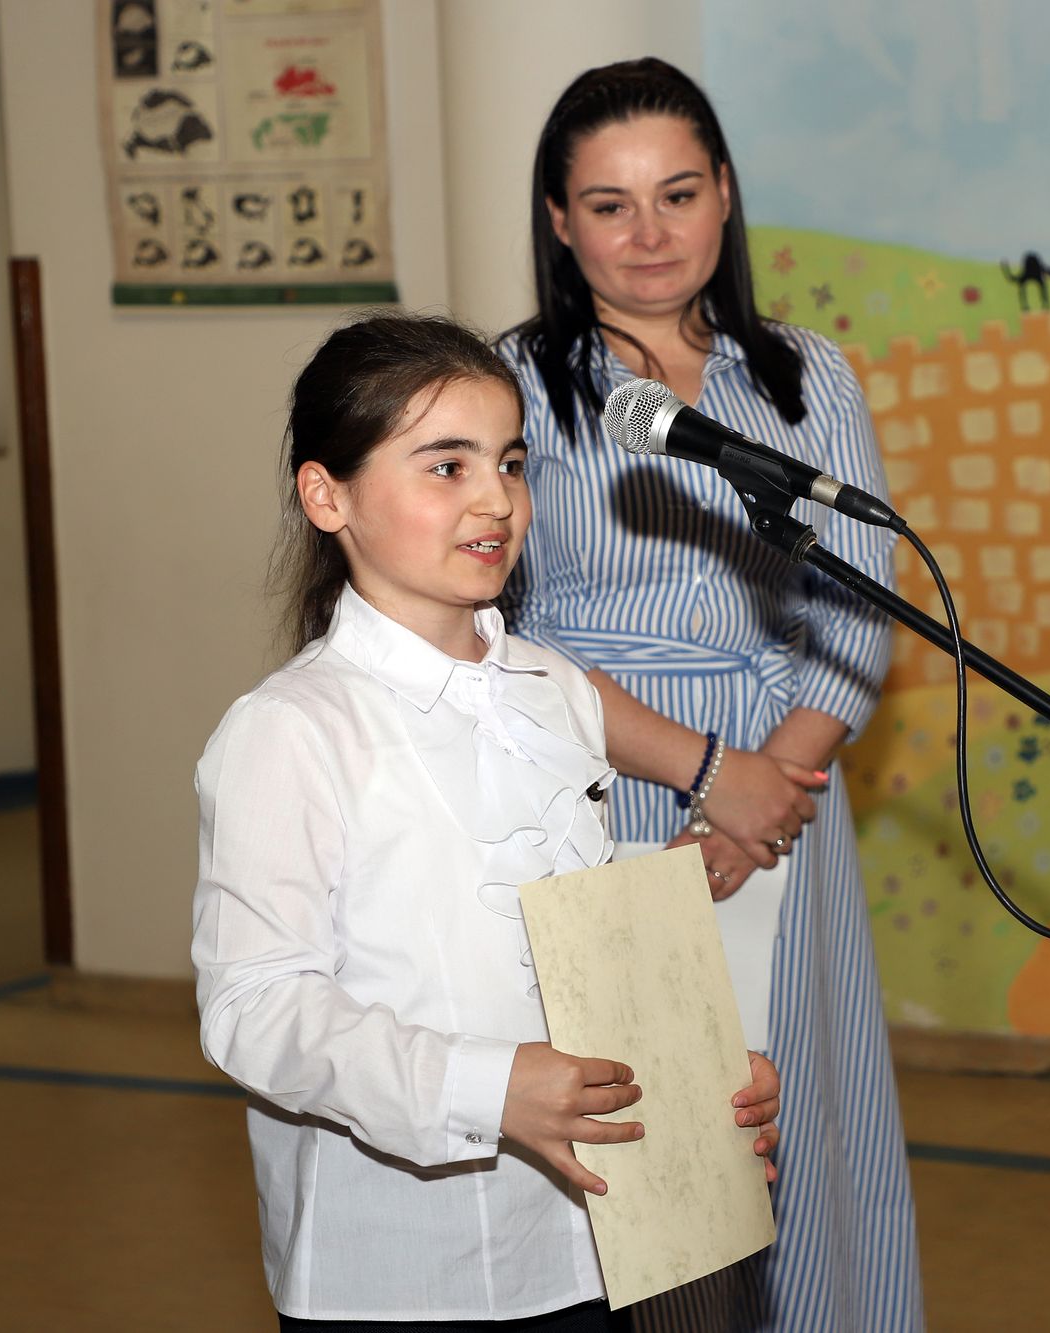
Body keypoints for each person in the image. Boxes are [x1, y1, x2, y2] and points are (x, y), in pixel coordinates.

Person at [192, 313, 781, 1330]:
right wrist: (486, 1087)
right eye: (446, 465)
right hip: (402, 1272)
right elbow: (255, 1006)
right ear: (328, 496)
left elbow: (587, 951)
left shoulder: (557, 691)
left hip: (595, 1241)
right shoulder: (290, 729)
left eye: (510, 463)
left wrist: (698, 1072)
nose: (496, 500)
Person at [497, 59, 924, 1332]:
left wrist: (767, 786)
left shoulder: (804, 376)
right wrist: (708, 776)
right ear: (559, 221)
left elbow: (860, 604)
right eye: (609, 205)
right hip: (600, 785)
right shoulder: (512, 386)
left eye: (676, 194)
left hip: (786, 796)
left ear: (725, 194)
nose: (649, 234)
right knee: (653, 1163)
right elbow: (500, 635)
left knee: (799, 1118)